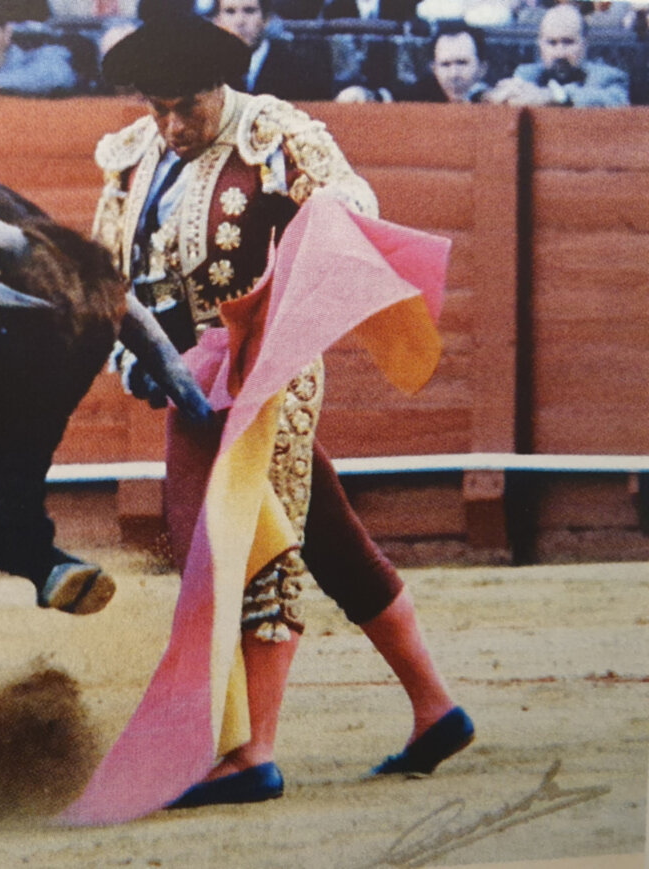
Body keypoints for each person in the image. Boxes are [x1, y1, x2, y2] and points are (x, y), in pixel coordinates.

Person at [90, 13, 473, 809]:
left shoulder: (275, 135)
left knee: (248, 543)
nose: (172, 125)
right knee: (326, 536)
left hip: (268, 374)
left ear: (219, 87)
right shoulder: (131, 156)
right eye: (157, 107)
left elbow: (351, 213)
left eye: (186, 107)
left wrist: (274, 306)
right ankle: (437, 709)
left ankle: (252, 753)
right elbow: (110, 280)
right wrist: (135, 360)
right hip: (188, 383)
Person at [484, 3, 630, 106]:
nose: (560, 53)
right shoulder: (527, 74)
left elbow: (616, 101)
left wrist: (555, 96)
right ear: (540, 45)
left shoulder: (608, 77)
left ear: (585, 44)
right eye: (552, 43)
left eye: (568, 42)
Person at [336, 22, 490, 102]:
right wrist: (363, 95)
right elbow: (386, 97)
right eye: (445, 65)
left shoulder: (496, 97)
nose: (453, 74)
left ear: (482, 68)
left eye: (462, 63)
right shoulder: (423, 92)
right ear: (434, 68)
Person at [211, 0, 334, 100]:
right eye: (230, 12)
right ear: (217, 21)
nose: (240, 21)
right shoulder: (208, 70)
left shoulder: (298, 66)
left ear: (266, 19)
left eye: (249, 11)